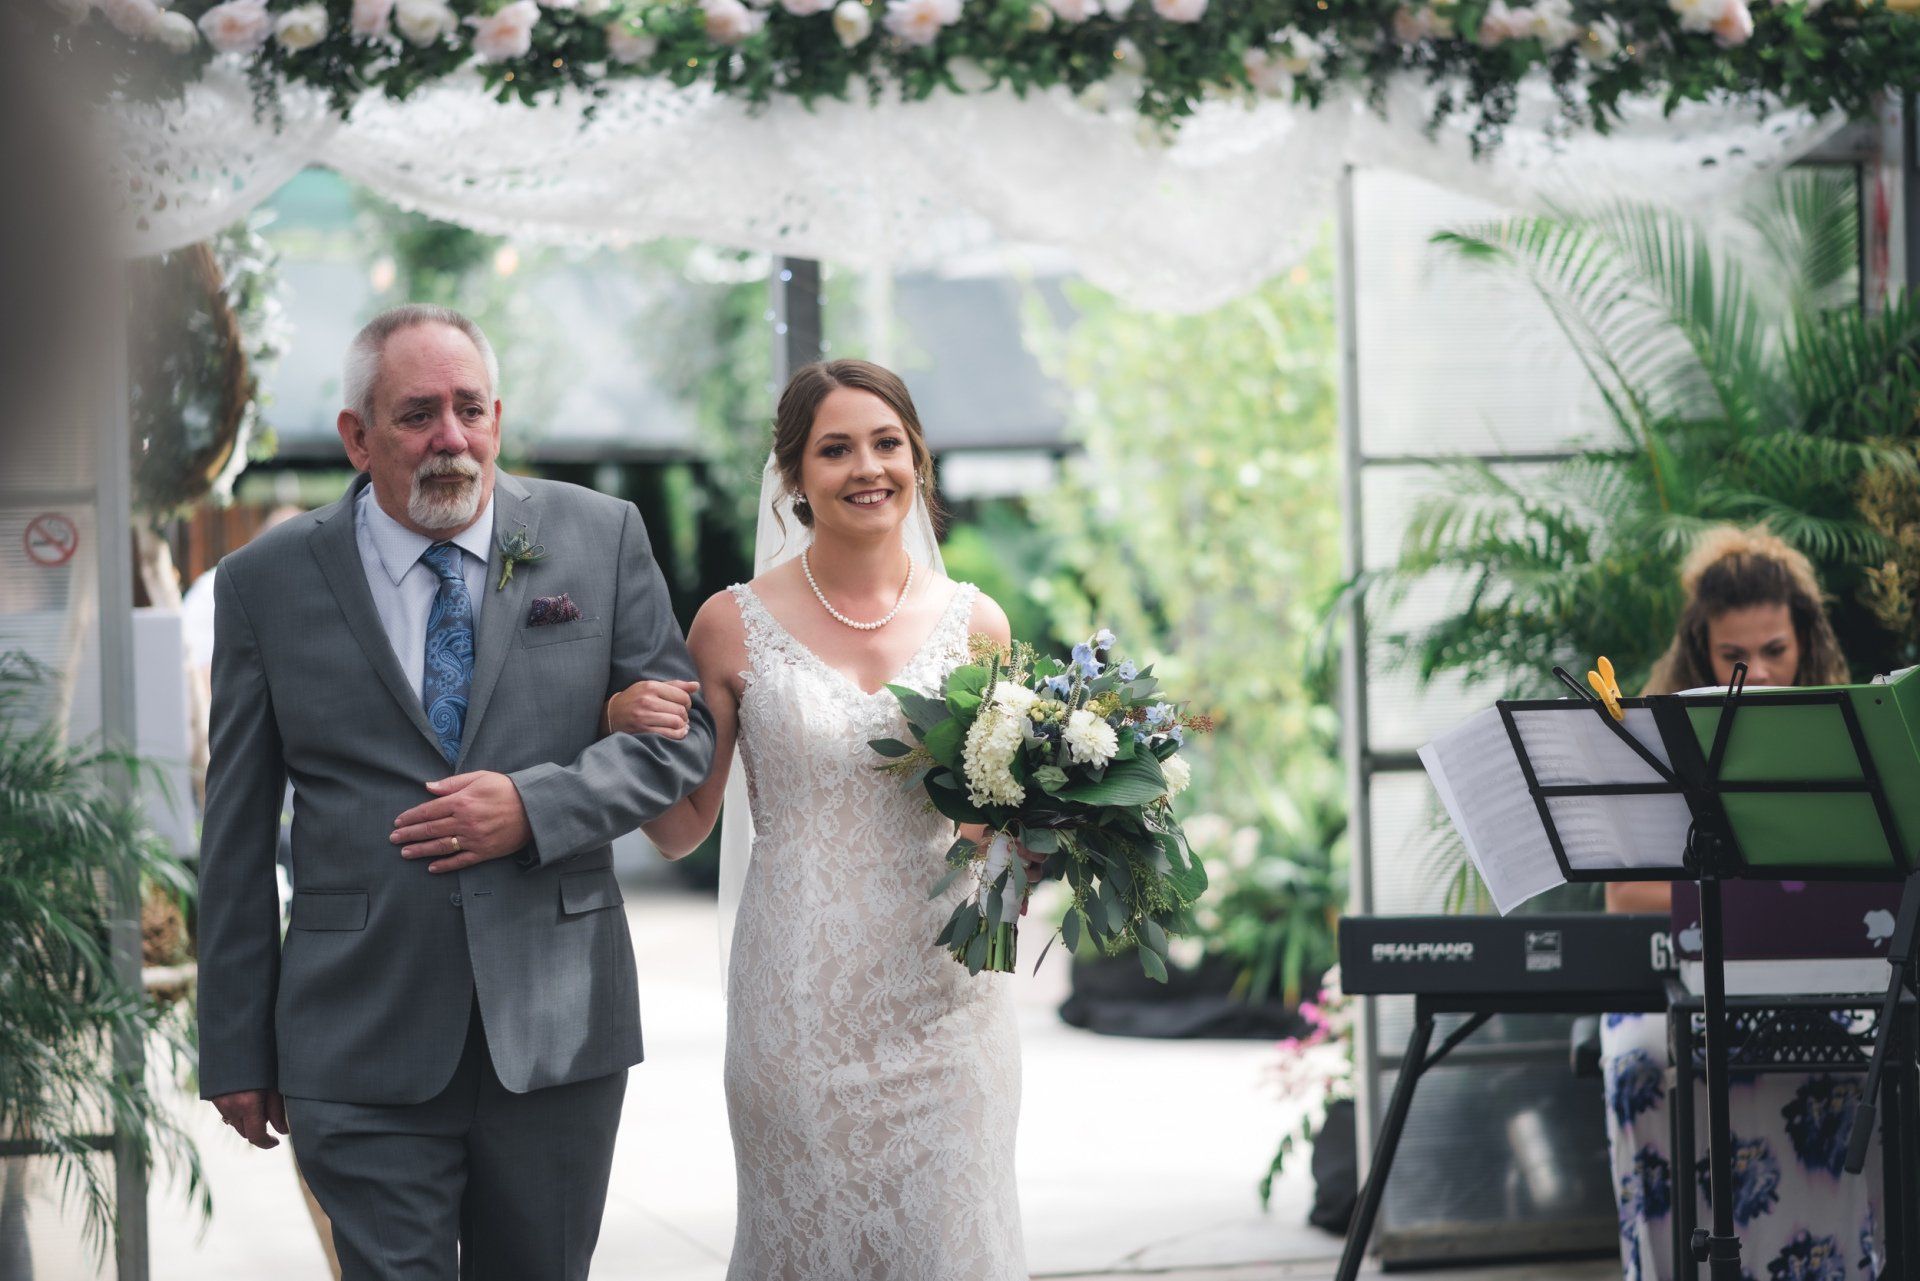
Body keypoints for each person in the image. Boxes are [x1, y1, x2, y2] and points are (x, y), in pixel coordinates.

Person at [196, 303, 716, 1281]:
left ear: (500, 418)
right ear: (357, 436)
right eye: (418, 414)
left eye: (470, 410)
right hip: (357, 1029)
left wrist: (536, 805)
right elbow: (234, 824)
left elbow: (683, 735)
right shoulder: (265, 581)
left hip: (556, 1027)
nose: (452, 439)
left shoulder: (598, 538)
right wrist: (233, 1044)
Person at [609, 359, 1036, 1280]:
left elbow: (994, 827)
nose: (866, 467)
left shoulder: (979, 626)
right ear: (795, 478)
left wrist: (1045, 838)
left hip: (949, 1008)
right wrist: (621, 731)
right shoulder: (730, 623)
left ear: (917, 459)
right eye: (834, 448)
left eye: (886, 443)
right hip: (797, 1010)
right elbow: (684, 828)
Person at [1601, 525, 1877, 1280]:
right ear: (1701, 650)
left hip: (1820, 980)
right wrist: (1741, 887)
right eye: (1735, 656)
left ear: (1806, 641)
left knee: (1880, 1061)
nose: (1757, 672)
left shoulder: (1849, 739)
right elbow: (1623, 892)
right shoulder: (1660, 737)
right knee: (1640, 1062)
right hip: (1681, 984)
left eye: (1776, 650)